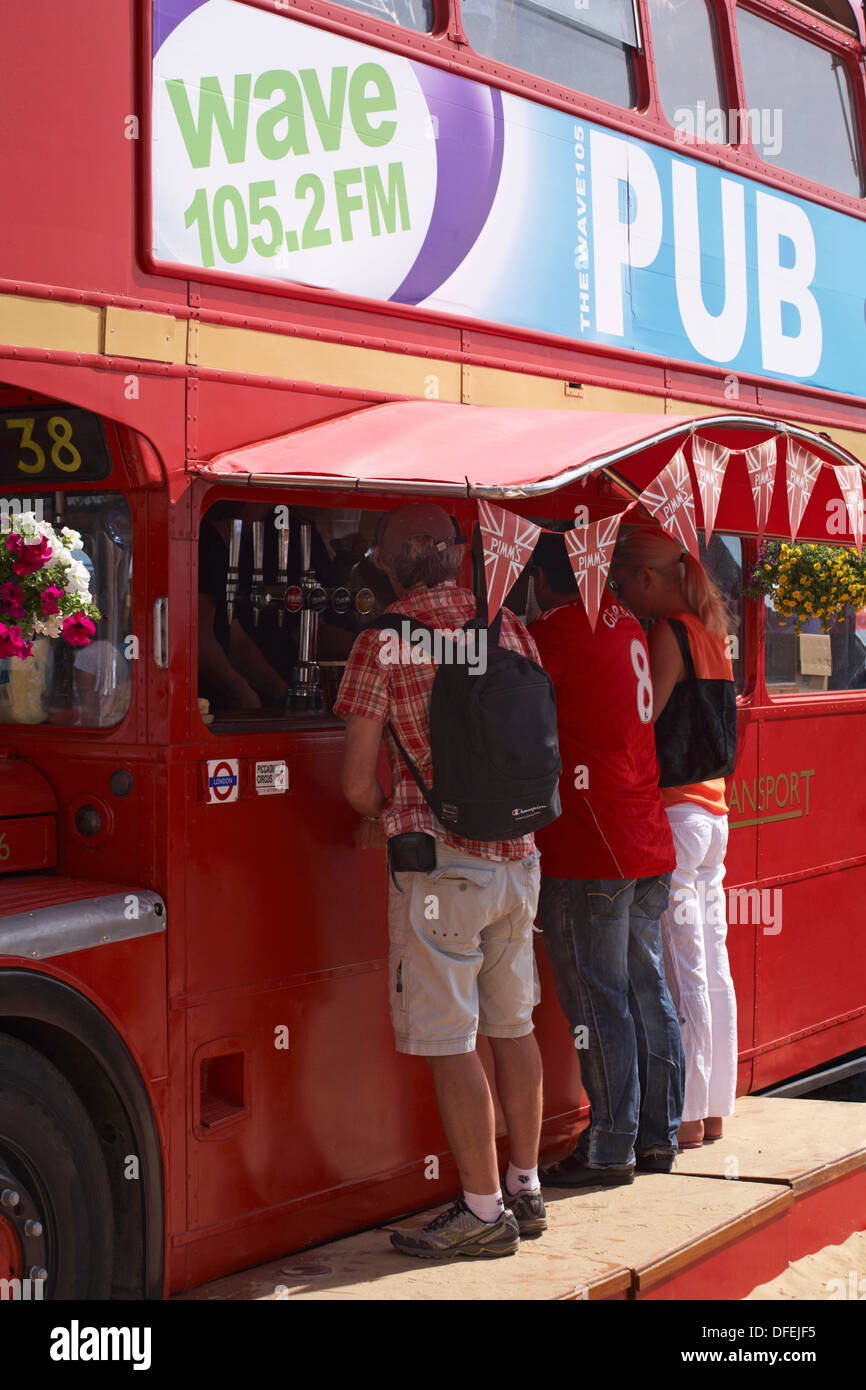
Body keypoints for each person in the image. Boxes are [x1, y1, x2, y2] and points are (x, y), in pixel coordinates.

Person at [333, 502, 546, 1258]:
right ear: (456, 555)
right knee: (512, 1025)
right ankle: (525, 1185)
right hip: (518, 857)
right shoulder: (510, 625)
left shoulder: (382, 641)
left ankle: (483, 1216)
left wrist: (381, 812)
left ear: (388, 561)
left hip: (439, 870)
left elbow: (358, 780)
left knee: (450, 1039)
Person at [530, 531, 684, 1186]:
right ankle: (656, 1135)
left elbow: (508, 701)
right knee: (645, 988)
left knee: (600, 1001)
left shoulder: (559, 628)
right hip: (645, 835)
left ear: (539, 580)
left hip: (593, 845)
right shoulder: (624, 620)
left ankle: (610, 1146)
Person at [609, 526, 737, 1147]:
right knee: (712, 963)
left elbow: (644, 716)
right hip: (715, 812)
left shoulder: (669, 631)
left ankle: (683, 1116)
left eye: (623, 583)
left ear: (646, 579)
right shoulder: (711, 629)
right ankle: (714, 1111)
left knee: (680, 965)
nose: (623, 597)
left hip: (677, 811)